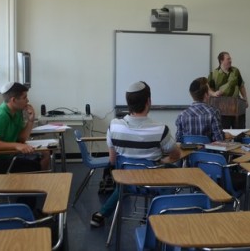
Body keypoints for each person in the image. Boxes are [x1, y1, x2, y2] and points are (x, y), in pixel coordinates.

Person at [90, 81, 181, 228]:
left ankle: (102, 213)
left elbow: (112, 160)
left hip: (127, 181)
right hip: (153, 184)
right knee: (171, 178)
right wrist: (162, 161)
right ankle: (156, 217)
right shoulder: (160, 129)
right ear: (148, 101)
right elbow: (176, 155)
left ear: (128, 103)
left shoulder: (114, 125)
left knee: (125, 182)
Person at [0, 82, 50, 174]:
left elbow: (21, 139)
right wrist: (16, 145)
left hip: (4, 157)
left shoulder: (17, 112)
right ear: (13, 100)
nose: (27, 100)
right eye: (24, 97)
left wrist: (30, 121)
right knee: (34, 165)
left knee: (41, 156)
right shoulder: (0, 116)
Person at [175, 77, 225, 143]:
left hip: (189, 153)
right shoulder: (213, 112)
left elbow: (178, 139)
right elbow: (219, 140)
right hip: (208, 153)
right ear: (206, 95)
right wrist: (224, 135)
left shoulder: (181, 115)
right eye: (209, 90)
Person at [208, 51, 248, 129]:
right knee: (224, 133)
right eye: (228, 59)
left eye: (230, 59)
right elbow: (209, 90)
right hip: (222, 109)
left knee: (240, 132)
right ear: (221, 61)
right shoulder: (213, 74)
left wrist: (245, 99)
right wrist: (214, 93)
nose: (230, 61)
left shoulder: (235, 71)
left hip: (237, 107)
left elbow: (241, 86)